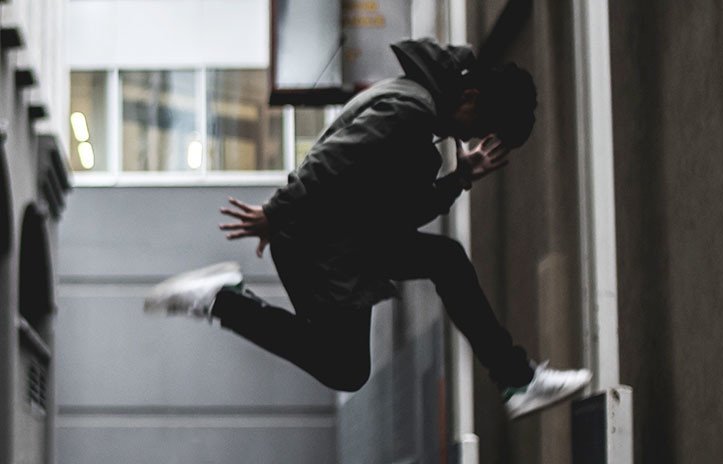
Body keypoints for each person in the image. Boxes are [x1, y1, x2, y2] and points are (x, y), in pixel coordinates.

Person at [145, 39, 591, 419]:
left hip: (343, 238)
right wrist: (277, 214)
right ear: (469, 96)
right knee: (348, 364)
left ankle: (517, 380)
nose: (469, 138)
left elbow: (401, 212)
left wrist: (460, 177)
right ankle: (221, 299)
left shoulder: (417, 108)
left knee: (438, 268)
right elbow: (330, 159)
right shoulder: (409, 111)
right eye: (481, 127)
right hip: (323, 246)